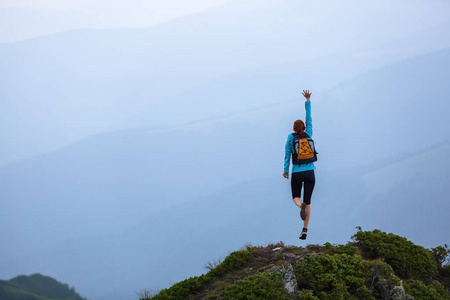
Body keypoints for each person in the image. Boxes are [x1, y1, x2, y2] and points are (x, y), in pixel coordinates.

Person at [283, 90, 316, 240]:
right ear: (303, 127)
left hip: (296, 172)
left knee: (297, 197)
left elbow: (287, 155)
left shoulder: (291, 138)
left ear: (293, 129)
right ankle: (305, 229)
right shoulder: (308, 132)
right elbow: (309, 118)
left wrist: (286, 171)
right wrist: (308, 100)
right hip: (310, 172)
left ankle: (300, 205)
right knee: (308, 202)